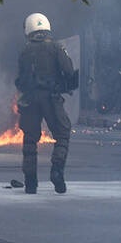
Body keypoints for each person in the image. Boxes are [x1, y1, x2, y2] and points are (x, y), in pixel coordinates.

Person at [15, 12, 78, 194]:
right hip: (51, 98)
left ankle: (30, 183)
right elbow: (68, 70)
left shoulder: (25, 51)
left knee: (30, 140)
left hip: (30, 100)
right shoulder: (56, 47)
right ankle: (57, 171)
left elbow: (21, 79)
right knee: (62, 133)